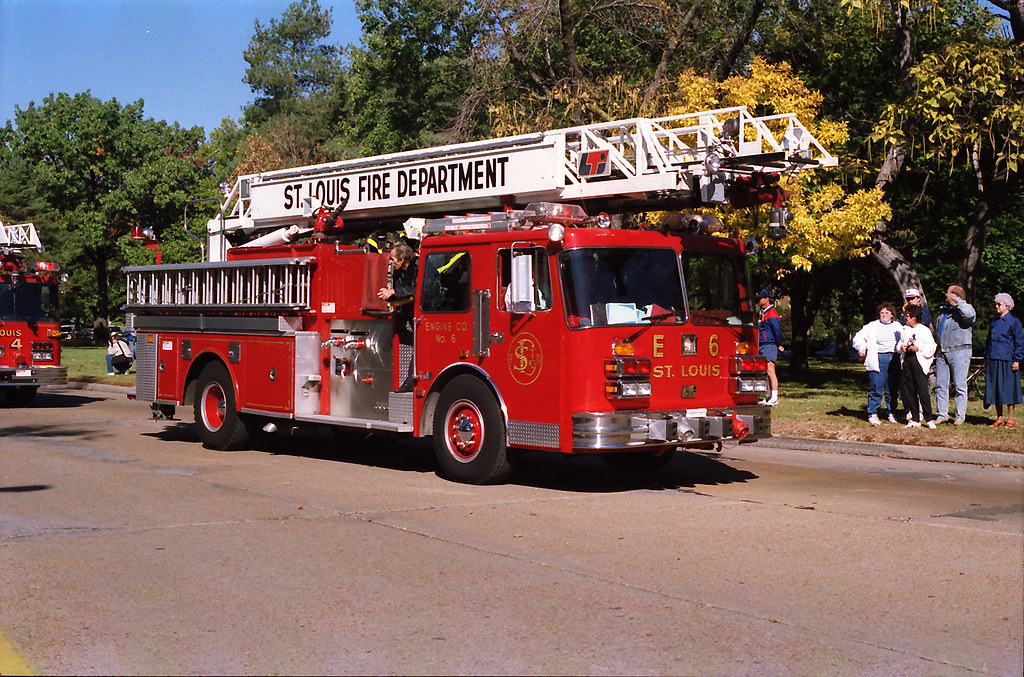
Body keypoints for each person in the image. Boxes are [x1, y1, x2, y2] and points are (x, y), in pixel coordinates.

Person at [852, 302, 904, 425]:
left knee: (892, 388)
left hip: (894, 358)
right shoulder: (872, 326)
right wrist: (861, 347)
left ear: (892, 315)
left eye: (887, 313)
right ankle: (872, 413)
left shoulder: (898, 326)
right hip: (878, 358)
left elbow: (905, 339)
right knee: (876, 386)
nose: (884, 315)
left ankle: (891, 412)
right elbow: (858, 338)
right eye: (882, 313)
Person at [377, 243, 418, 392]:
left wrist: (393, 291)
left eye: (393, 259)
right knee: (407, 341)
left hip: (419, 313)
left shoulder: (418, 267)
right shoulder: (400, 271)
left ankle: (410, 383)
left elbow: (416, 289)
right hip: (405, 312)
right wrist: (387, 296)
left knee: (418, 345)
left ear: (402, 260)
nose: (391, 262)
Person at [933, 285, 976, 425]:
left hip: (959, 351)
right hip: (942, 351)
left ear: (954, 296)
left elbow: (970, 315)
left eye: (948, 293)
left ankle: (959, 416)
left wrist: (958, 301)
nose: (945, 294)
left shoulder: (965, 309)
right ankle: (942, 414)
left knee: (959, 385)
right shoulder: (943, 311)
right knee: (941, 385)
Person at [983, 293, 1024, 429]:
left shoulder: (1014, 322)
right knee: (995, 388)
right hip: (993, 358)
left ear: (1007, 306)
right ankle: (999, 418)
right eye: (996, 304)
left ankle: (1010, 418)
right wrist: (986, 357)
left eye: (999, 304)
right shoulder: (994, 321)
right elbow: (989, 341)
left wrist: (1017, 360)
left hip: (1007, 359)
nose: (996, 306)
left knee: (1008, 389)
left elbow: (1019, 341)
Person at [898, 303, 937, 428]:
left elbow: (932, 346)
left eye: (908, 316)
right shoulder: (905, 330)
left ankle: (929, 418)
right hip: (907, 361)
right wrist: (902, 347)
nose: (906, 318)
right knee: (910, 390)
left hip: (919, 362)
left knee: (922, 391)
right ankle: (915, 418)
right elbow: (899, 344)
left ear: (914, 317)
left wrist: (919, 348)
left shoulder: (924, 330)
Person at [757, 288, 784, 406]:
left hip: (769, 345)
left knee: (770, 371)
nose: (759, 300)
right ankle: (768, 397)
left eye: (761, 298)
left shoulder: (772, 313)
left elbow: (776, 330)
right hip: (764, 344)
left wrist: (778, 344)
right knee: (765, 372)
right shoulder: (765, 313)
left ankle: (774, 397)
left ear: (767, 299)